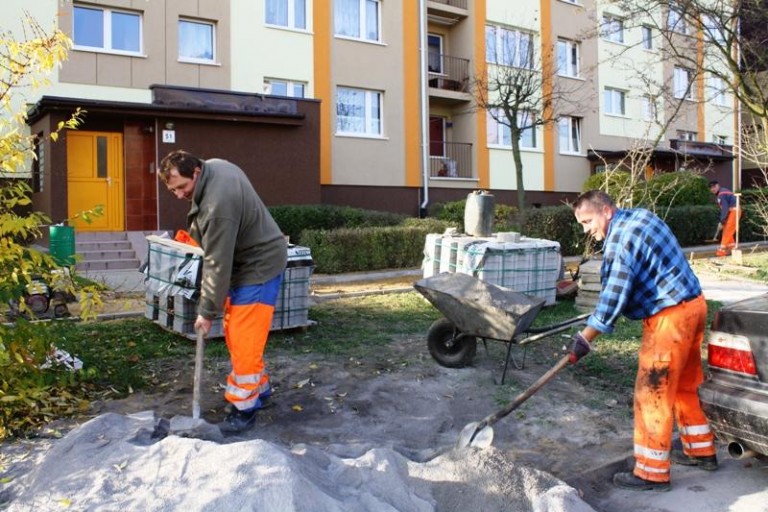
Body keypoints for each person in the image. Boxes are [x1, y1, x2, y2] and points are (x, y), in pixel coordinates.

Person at [568, 190, 717, 492]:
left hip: (669, 319)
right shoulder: (640, 216)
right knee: (685, 385)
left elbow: (612, 300)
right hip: (694, 306)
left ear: (606, 211)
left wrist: (585, 338)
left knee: (652, 393)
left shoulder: (622, 240)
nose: (586, 230)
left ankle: (651, 472)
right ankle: (701, 450)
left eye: (587, 221)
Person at [159, 150, 287, 434]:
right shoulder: (215, 166)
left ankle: (244, 408)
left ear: (195, 173)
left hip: (259, 265)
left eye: (182, 187)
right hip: (250, 258)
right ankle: (260, 389)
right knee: (240, 333)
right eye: (172, 190)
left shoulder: (218, 207)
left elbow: (217, 263)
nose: (179, 195)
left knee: (243, 337)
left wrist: (206, 313)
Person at [708, 180, 740, 257]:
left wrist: (722, 221)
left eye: (714, 187)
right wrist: (723, 221)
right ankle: (732, 247)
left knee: (727, 230)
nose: (713, 189)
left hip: (734, 211)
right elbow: (726, 208)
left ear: (718, 186)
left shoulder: (721, 194)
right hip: (732, 211)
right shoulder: (722, 192)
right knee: (726, 229)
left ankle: (721, 251)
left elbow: (724, 208)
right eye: (711, 188)